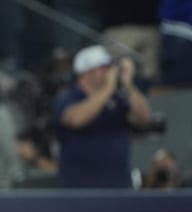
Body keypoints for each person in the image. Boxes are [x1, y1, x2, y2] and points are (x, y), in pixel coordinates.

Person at [53, 44, 152, 188]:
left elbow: (144, 119)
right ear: (86, 73)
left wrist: (129, 85)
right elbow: (75, 119)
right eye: (103, 68)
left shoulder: (118, 99)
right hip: (79, 192)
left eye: (110, 68)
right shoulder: (68, 97)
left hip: (119, 189)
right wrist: (108, 89)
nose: (109, 72)